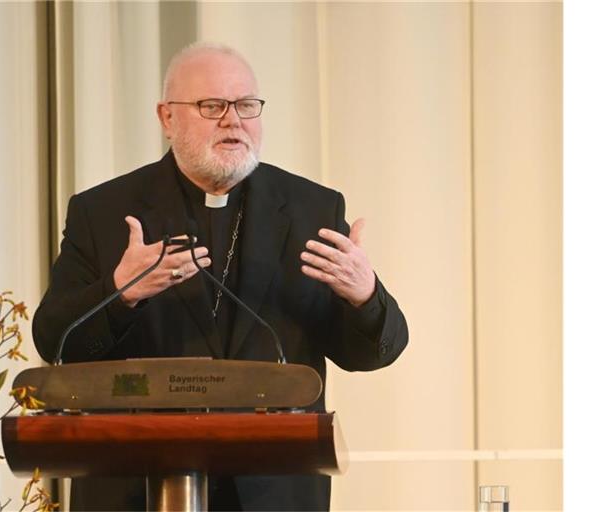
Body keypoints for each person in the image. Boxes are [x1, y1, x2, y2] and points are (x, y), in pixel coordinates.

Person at [32, 42, 408, 511]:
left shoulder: (313, 208)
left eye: (247, 105)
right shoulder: (104, 212)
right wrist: (119, 294)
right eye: (212, 106)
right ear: (167, 118)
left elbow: (369, 353)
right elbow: (55, 343)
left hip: (273, 491)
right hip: (135, 491)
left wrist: (364, 296)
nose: (234, 120)